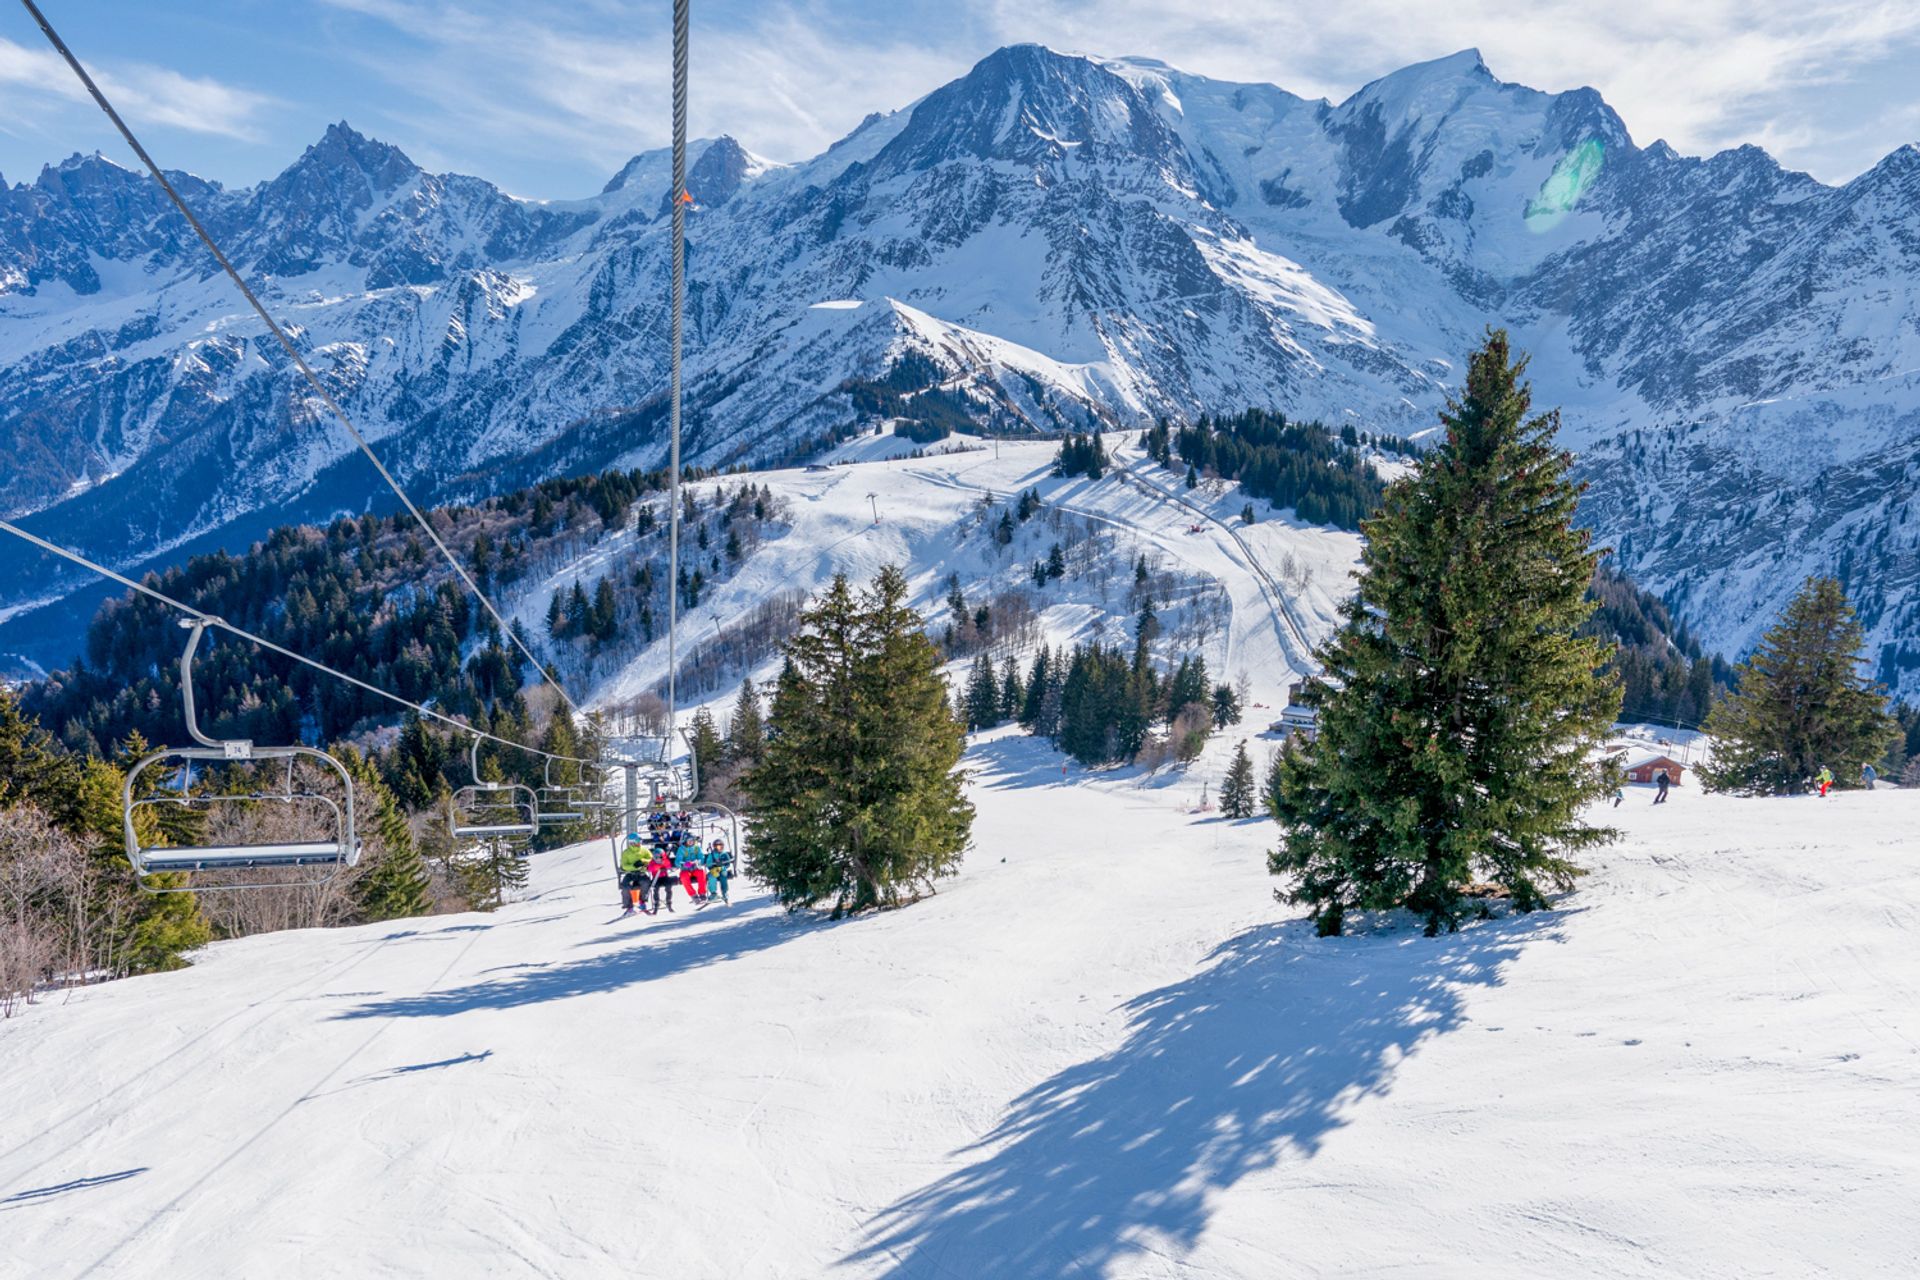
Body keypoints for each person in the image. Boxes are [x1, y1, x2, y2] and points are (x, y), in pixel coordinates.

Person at [617, 833, 651, 914]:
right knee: (625, 886)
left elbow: (651, 858)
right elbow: (624, 866)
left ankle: (642, 901)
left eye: (639, 841)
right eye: (637, 841)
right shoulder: (626, 853)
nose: (639, 843)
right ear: (632, 842)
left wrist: (643, 861)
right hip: (630, 874)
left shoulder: (644, 850)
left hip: (641, 872)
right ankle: (629, 906)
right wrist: (633, 866)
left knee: (646, 882)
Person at [678, 826, 710, 903]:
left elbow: (701, 857)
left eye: (692, 840)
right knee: (683, 877)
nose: (691, 842)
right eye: (689, 841)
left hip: (696, 868)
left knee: (702, 873)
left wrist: (698, 862)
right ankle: (693, 895)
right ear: (685, 841)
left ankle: (702, 893)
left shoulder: (696, 848)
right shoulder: (681, 849)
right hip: (686, 870)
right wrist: (685, 864)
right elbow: (678, 861)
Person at [646, 842, 677, 913]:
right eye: (655, 857)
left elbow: (668, 865)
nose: (657, 859)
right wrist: (659, 866)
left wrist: (662, 863)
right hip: (656, 878)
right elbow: (650, 868)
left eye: (659, 857)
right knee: (655, 888)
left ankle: (668, 901)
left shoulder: (665, 861)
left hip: (664, 877)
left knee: (669, 886)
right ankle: (656, 903)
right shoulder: (652, 862)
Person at [706, 836, 733, 904]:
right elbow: (708, 863)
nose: (720, 848)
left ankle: (724, 892)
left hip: (722, 869)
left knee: (723, 875)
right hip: (714, 870)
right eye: (718, 846)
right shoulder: (712, 855)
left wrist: (722, 865)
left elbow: (728, 863)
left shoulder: (724, 854)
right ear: (715, 847)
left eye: (721, 846)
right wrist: (713, 865)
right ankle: (713, 893)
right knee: (711, 877)